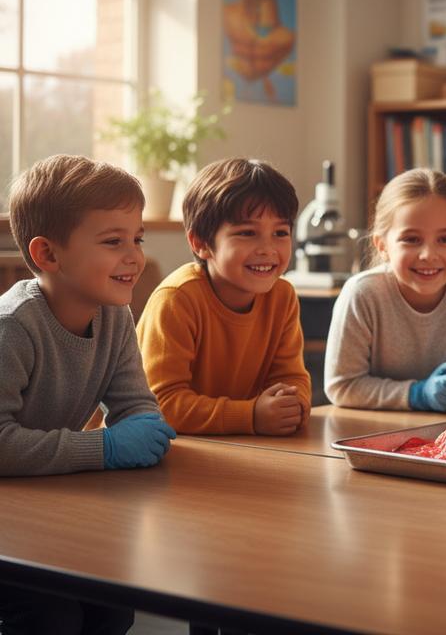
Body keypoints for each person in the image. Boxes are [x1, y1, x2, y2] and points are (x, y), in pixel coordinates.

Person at [0, 155, 175, 634]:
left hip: (50, 501)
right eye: (113, 241)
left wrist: (145, 424)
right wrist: (107, 447)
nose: (135, 256)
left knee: (111, 608)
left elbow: (134, 403)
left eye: (137, 238)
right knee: (49, 617)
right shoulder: (12, 328)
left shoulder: (115, 315)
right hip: (8, 520)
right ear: (48, 255)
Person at [137, 158, 311, 435]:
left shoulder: (282, 296)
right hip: (148, 455)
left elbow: (290, 377)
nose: (267, 248)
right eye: (247, 233)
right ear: (201, 243)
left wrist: (293, 404)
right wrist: (250, 416)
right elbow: (160, 405)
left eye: (280, 233)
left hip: (233, 446)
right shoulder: (177, 300)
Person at [324, 169, 446, 411]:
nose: (428, 255)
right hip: (374, 430)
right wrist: (417, 394)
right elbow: (342, 386)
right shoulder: (362, 294)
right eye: (411, 239)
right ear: (382, 245)